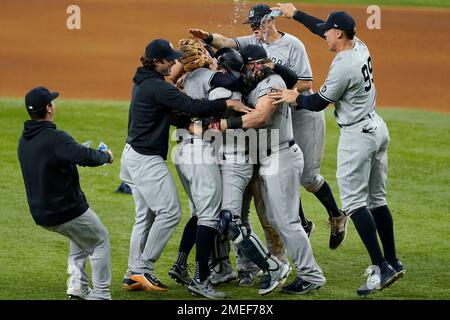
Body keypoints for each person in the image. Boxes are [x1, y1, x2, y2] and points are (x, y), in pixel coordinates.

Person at [268, 4, 405, 296]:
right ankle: (393, 261)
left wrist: (295, 96)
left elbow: (317, 102)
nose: (325, 35)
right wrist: (296, 14)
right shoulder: (358, 45)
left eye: (329, 31)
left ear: (339, 33)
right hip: (377, 127)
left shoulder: (344, 65)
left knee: (355, 204)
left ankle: (381, 268)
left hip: (357, 135)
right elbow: (322, 27)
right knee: (377, 200)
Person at [190, 3, 348, 250]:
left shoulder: (293, 44)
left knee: (306, 176)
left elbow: (306, 82)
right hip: (277, 117)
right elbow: (226, 42)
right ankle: (303, 223)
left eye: (257, 24)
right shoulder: (252, 42)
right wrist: (208, 38)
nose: (253, 28)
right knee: (279, 171)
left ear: (270, 21)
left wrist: (280, 93)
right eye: (251, 25)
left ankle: (337, 215)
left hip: (302, 114)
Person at [119, 38, 251, 293]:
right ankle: (142, 269)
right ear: (156, 62)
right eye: (169, 60)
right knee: (171, 213)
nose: (174, 63)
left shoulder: (144, 80)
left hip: (134, 155)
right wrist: (227, 103)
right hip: (146, 159)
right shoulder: (159, 87)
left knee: (145, 217)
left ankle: (133, 273)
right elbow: (193, 106)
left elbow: (176, 109)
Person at [219, 45, 326, 295]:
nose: (242, 73)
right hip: (270, 158)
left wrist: (223, 124)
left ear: (255, 66)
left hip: (281, 156)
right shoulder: (258, 81)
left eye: (245, 68)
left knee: (287, 221)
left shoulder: (272, 82)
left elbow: (261, 116)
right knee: (279, 220)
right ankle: (289, 267)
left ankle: (311, 275)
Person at [18, 86, 114, 300]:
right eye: (52, 102)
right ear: (49, 108)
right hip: (65, 210)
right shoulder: (55, 138)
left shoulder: (24, 140)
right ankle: (101, 294)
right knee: (100, 241)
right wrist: (105, 156)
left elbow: (62, 155)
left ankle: (77, 287)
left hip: (41, 213)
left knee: (80, 238)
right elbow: (85, 156)